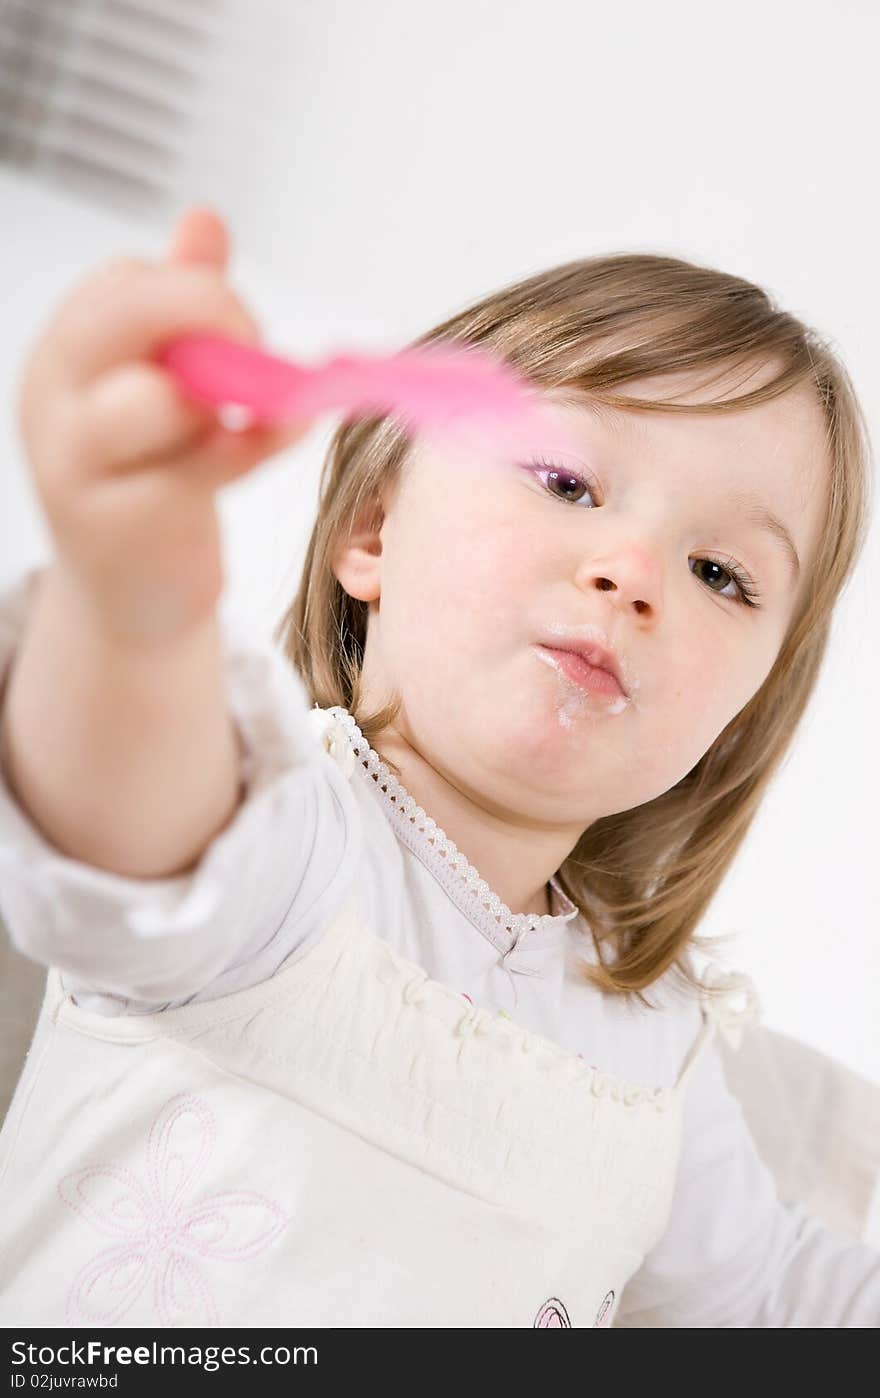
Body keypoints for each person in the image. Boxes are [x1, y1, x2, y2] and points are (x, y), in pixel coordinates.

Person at [0, 207, 876, 1328]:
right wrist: (131, 599)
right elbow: (123, 827)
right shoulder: (290, 846)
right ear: (372, 530)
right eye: (566, 484)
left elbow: (768, 1295)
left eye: (720, 572)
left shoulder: (655, 1046)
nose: (632, 571)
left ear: (744, 716)